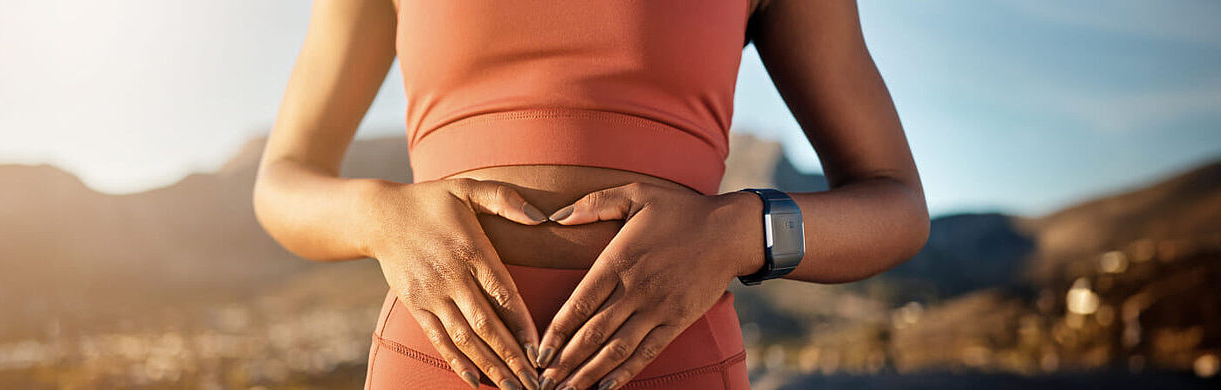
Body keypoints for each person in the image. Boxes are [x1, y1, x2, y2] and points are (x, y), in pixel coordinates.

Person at [252, 0, 930, 389]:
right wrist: (382, 217)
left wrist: (737, 232)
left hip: (672, 366)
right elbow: (282, 182)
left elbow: (897, 206)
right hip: (436, 360)